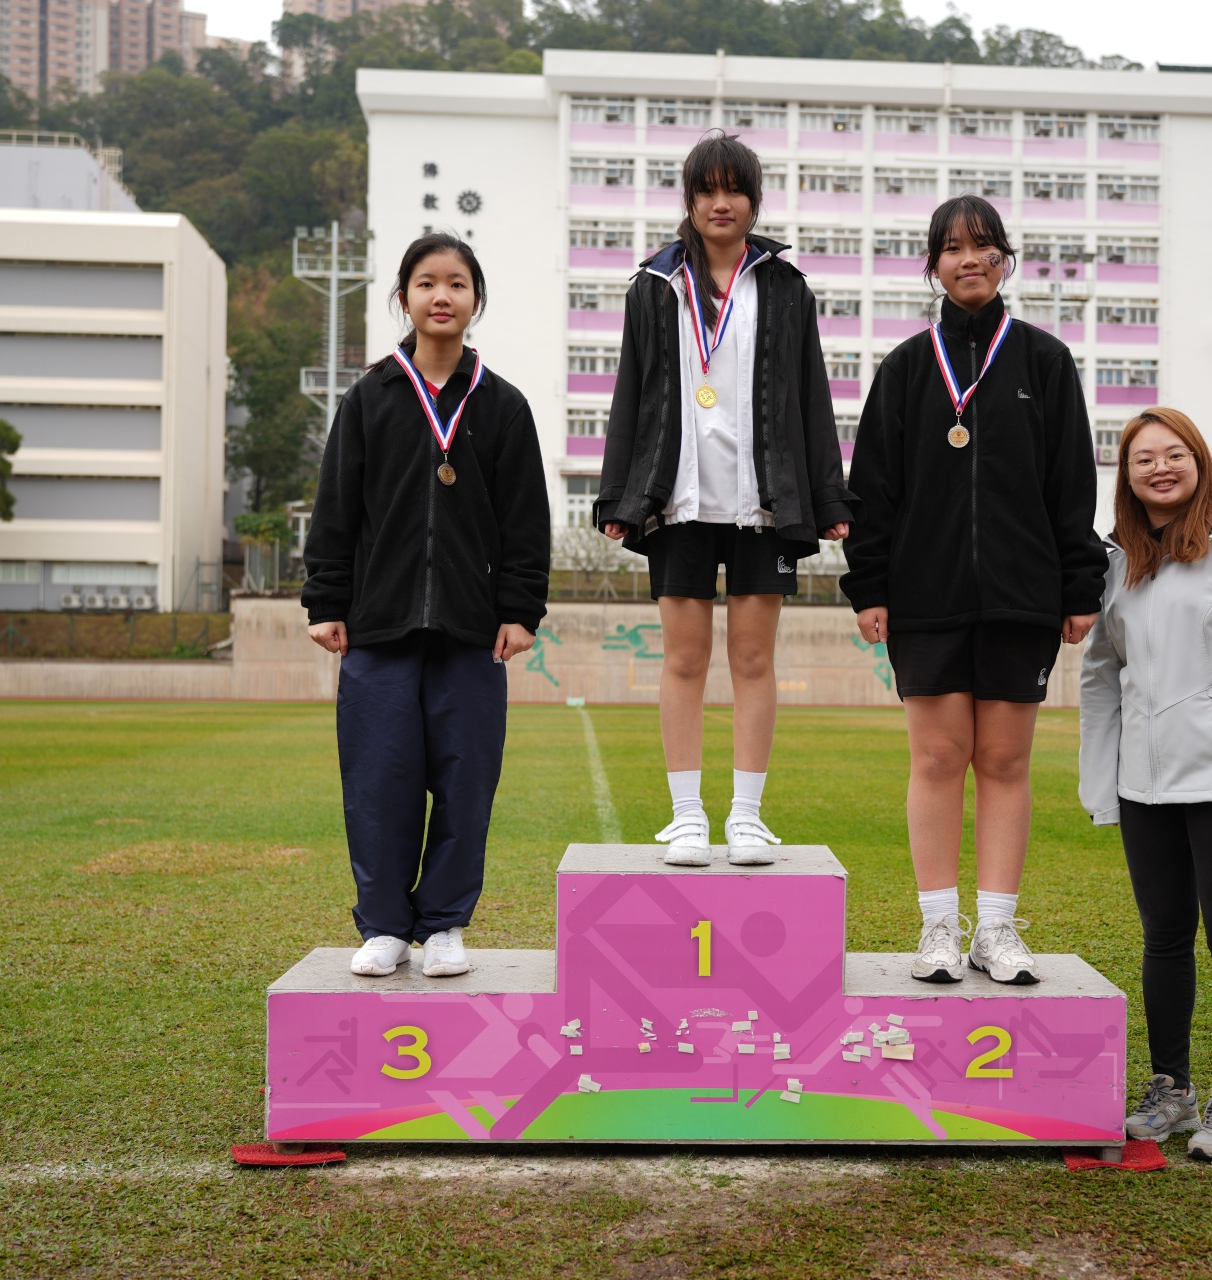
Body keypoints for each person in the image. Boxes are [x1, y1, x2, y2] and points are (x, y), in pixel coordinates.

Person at [842, 195, 1105, 986]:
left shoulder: (1045, 361)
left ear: (1004, 260)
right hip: (925, 598)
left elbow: (1071, 482)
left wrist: (1079, 583)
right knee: (937, 757)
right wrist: (869, 586)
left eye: (983, 246)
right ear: (933, 265)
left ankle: (996, 929)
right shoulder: (905, 368)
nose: (969, 260)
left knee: (1004, 759)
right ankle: (937, 929)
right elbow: (873, 489)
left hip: (1023, 597)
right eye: (953, 248)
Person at [596, 131, 856, 868]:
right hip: (677, 501)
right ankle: (686, 817)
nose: (720, 203)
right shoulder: (654, 285)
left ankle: (746, 816)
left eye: (733, 189)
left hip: (761, 503)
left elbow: (811, 395)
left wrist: (828, 497)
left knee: (752, 659)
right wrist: (618, 496)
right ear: (689, 200)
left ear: (753, 201)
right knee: (684, 660)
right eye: (706, 190)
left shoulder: (785, 287)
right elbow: (630, 394)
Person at [302, 232, 550, 979]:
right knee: (379, 783)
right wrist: (326, 599)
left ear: (476, 300)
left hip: (471, 633)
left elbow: (525, 521)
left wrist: (520, 610)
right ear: (404, 297)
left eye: (457, 284)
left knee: (466, 782)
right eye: (426, 283)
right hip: (378, 628)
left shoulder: (502, 406)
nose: (442, 296)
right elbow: (336, 508)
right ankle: (383, 925)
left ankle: (443, 924)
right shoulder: (370, 398)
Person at [1078, 406, 1212, 1162]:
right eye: (1143, 459)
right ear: (1128, 476)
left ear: (1198, 462)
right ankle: (1170, 1089)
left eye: (1174, 455)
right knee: (1164, 939)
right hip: (1144, 784)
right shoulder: (1120, 559)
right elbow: (1100, 675)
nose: (1159, 468)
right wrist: (1102, 782)